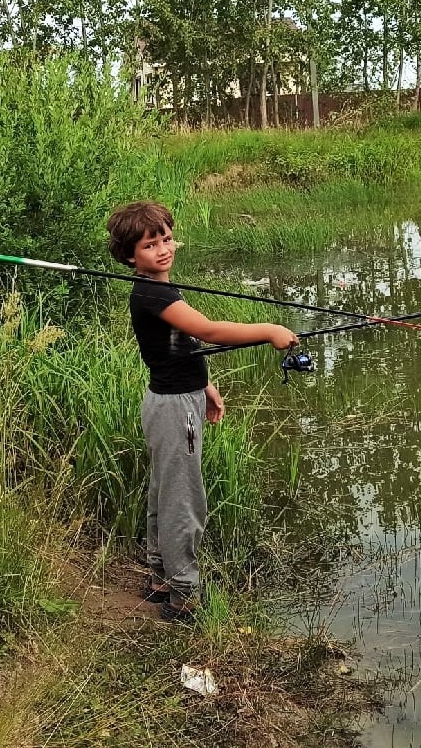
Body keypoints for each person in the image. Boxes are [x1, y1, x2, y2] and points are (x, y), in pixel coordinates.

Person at [106, 201, 297, 622]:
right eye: (150, 244)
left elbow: (177, 346)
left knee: (165, 489)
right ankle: (183, 597)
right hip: (174, 408)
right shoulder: (153, 293)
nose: (163, 249)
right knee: (182, 499)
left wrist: (205, 385)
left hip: (174, 398)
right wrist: (268, 331)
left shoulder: (160, 290)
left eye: (167, 239)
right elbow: (207, 331)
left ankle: (160, 578)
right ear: (129, 256)